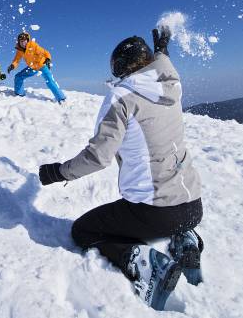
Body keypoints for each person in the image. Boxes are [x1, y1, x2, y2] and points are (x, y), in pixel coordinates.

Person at [37, 27, 203, 311]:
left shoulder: (122, 98)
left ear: (120, 68)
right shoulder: (172, 84)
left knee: (84, 231)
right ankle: (184, 238)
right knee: (162, 210)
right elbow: (163, 65)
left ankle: (144, 264)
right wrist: (162, 47)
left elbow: (98, 157)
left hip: (155, 212)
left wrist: (58, 172)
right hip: (193, 207)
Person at [6, 32, 66, 103]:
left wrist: (48, 59)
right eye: (21, 41)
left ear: (27, 40)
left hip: (42, 65)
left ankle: (61, 98)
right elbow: (16, 60)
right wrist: (12, 65)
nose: (23, 43)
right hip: (32, 68)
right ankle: (19, 94)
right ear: (19, 42)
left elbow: (45, 52)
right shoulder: (20, 50)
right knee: (18, 77)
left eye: (25, 41)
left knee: (50, 81)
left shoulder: (33, 46)